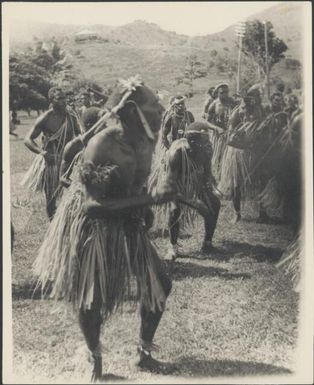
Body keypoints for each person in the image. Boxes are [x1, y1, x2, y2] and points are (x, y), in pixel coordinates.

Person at [34, 76, 176, 381]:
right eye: (154, 105)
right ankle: (95, 361)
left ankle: (145, 353)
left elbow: (137, 180)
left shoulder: (146, 139)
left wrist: (147, 204)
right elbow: (93, 206)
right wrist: (149, 198)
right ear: (133, 109)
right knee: (91, 299)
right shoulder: (104, 143)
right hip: (94, 226)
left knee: (161, 284)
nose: (161, 109)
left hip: (128, 219)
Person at [149, 122, 221, 259]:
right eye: (204, 142)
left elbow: (206, 172)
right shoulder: (176, 153)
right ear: (192, 141)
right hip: (173, 182)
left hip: (194, 178)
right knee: (175, 209)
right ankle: (172, 247)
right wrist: (195, 203)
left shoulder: (206, 149)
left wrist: (208, 188)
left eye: (207, 141)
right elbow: (171, 187)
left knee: (214, 204)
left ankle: (207, 243)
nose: (207, 144)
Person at [22, 87, 81, 220]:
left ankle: (68, 220)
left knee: (71, 193)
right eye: (59, 98)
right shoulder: (45, 118)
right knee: (51, 197)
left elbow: (79, 136)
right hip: (52, 162)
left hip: (69, 161)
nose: (64, 101)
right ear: (52, 101)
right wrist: (43, 153)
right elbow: (27, 139)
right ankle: (53, 223)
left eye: (64, 97)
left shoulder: (71, 117)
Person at [218, 85, 265, 223]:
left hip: (254, 151)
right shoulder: (238, 112)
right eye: (255, 97)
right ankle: (237, 213)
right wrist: (244, 141)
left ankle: (262, 214)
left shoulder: (259, 110)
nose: (258, 100)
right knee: (236, 184)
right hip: (238, 153)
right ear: (249, 98)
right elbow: (230, 137)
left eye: (259, 97)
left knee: (259, 180)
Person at [206, 83, 236, 181]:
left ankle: (229, 178)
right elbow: (207, 122)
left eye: (227, 92)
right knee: (218, 158)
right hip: (219, 138)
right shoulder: (214, 104)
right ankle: (218, 178)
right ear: (217, 93)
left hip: (231, 136)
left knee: (231, 159)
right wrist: (216, 128)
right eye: (222, 93)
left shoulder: (233, 102)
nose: (225, 95)